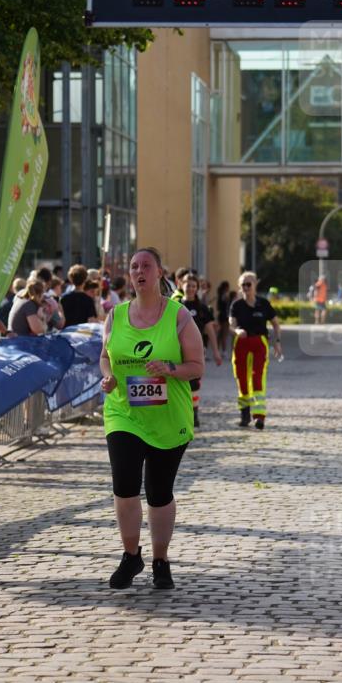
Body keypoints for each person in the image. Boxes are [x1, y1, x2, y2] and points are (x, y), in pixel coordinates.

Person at [100, 247, 204, 591]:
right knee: (125, 485)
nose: (139, 271)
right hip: (123, 412)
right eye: (133, 267)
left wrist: (170, 369)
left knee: (159, 493)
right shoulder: (115, 316)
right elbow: (105, 356)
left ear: (160, 273)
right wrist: (108, 377)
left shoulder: (179, 317)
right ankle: (131, 556)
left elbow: (197, 367)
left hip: (168, 417)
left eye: (146, 266)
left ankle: (160, 559)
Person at [229, 271, 282, 429]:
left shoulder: (263, 304)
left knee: (257, 377)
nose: (246, 287)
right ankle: (244, 414)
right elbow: (231, 324)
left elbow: (276, 324)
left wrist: (277, 342)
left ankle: (259, 416)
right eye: (243, 284)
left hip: (259, 343)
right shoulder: (236, 305)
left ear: (255, 285)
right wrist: (237, 331)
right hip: (242, 343)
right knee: (242, 378)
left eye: (249, 284)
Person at [180, 274, 222, 427]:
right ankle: (183, 412)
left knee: (194, 383)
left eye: (193, 286)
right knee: (180, 382)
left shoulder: (202, 308)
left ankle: (194, 412)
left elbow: (210, 330)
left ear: (197, 288)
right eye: (187, 285)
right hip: (177, 351)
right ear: (181, 285)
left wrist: (216, 351)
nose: (190, 288)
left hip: (197, 351)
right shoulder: (175, 306)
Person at [216, 281, 235, 359]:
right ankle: (224, 351)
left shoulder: (220, 295)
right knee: (224, 334)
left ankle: (217, 350)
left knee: (220, 334)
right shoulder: (225, 295)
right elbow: (228, 306)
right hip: (225, 316)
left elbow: (218, 307)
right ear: (226, 287)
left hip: (221, 315)